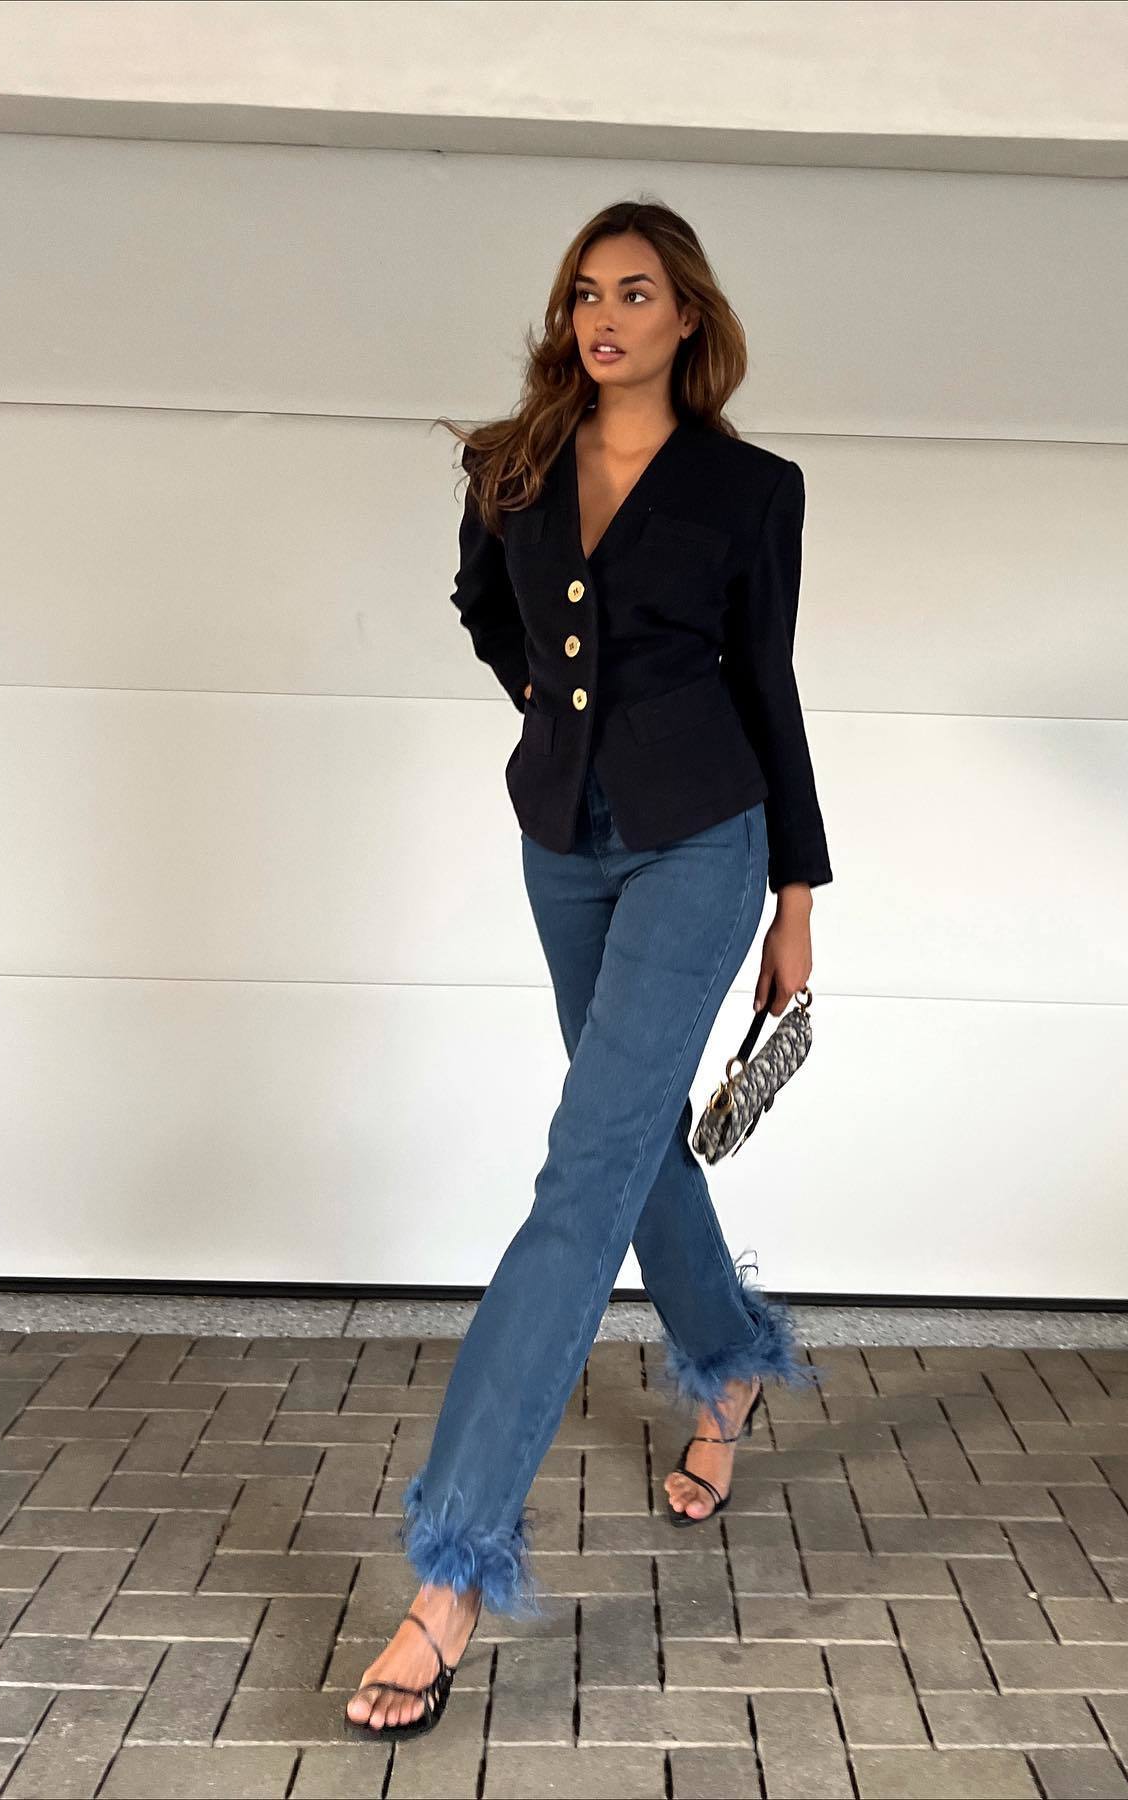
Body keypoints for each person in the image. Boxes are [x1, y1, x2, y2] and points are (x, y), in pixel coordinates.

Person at [346, 198, 833, 1740]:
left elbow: (769, 684)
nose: (602, 317)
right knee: (626, 1147)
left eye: (634, 292)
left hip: (704, 843)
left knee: (580, 1178)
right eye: (582, 293)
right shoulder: (510, 467)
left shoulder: (754, 489)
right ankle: (729, 1362)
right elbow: (488, 612)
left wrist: (796, 901)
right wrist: (566, 717)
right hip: (564, 841)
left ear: (688, 316)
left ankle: (450, 1568)